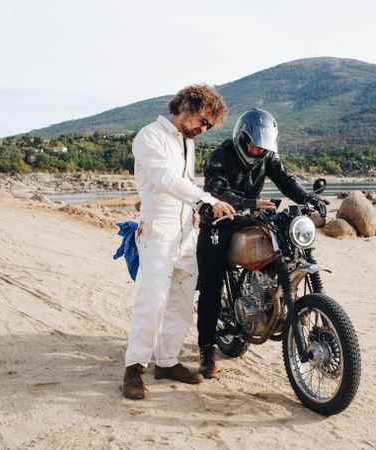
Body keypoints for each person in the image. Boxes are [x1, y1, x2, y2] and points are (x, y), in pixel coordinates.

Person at [195, 107, 327, 378]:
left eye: (261, 148)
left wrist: (308, 199)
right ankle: (206, 350)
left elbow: (287, 181)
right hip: (218, 221)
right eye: (252, 146)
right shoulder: (220, 156)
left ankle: (267, 297)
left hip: (249, 216)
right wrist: (245, 202)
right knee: (211, 284)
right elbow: (217, 187)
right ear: (241, 138)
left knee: (284, 247)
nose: (256, 152)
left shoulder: (268, 158)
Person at [122, 84, 236, 400]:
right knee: (153, 301)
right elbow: (164, 179)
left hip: (187, 232)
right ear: (186, 108)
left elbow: (185, 181)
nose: (203, 129)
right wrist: (204, 199)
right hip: (158, 230)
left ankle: (168, 362)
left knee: (183, 301)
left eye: (209, 126)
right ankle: (134, 369)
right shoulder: (149, 137)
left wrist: (198, 209)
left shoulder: (187, 142)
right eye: (203, 121)